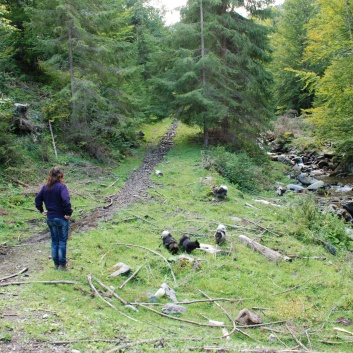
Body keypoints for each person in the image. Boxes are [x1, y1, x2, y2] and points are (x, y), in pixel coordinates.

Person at [35, 167, 73, 270]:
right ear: (60, 175)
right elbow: (66, 200)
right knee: (62, 241)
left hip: (50, 218)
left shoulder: (45, 187)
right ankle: (62, 265)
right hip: (61, 217)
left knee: (54, 241)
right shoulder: (62, 187)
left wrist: (42, 210)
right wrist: (68, 213)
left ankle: (56, 264)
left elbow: (37, 199)